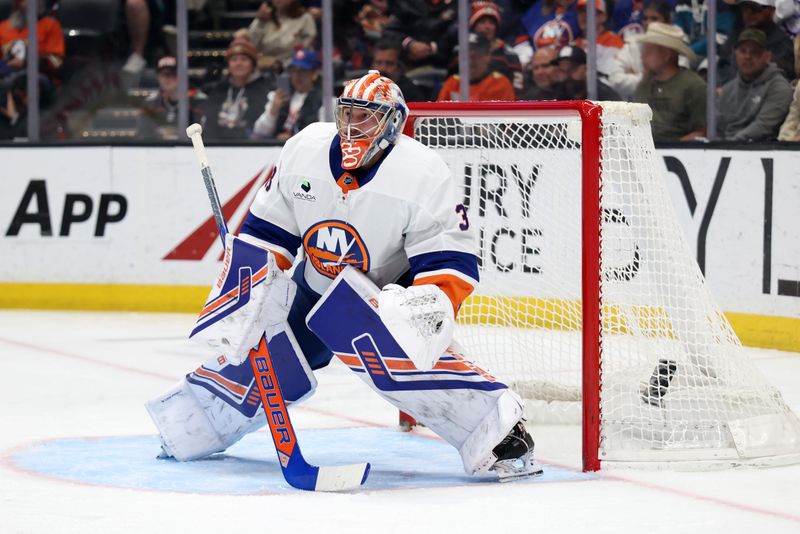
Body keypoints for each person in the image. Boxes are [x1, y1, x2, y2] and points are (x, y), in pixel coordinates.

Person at [146, 70, 542, 482]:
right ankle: (192, 425)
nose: (352, 126)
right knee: (266, 349)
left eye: (366, 117)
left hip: (383, 294)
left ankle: (501, 435)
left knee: (403, 356)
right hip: (314, 284)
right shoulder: (305, 149)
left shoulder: (422, 172)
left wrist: (420, 308)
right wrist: (249, 287)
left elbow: (449, 260)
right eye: (347, 114)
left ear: (392, 122)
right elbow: (267, 232)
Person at [633, 22, 706, 142]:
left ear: (666, 54)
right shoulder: (645, 84)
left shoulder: (694, 87)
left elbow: (702, 132)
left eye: (649, 50)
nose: (642, 56)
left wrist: (671, 149)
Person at [717, 29, 793, 141]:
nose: (747, 56)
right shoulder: (727, 89)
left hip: (760, 149)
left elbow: (763, 126)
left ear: (767, 57)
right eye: (743, 51)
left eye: (755, 52)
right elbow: (718, 127)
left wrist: (728, 146)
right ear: (735, 54)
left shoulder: (779, 88)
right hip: (723, 149)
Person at [608, 0, 688, 101]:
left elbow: (673, 86)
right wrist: (644, 76)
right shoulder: (633, 46)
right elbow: (614, 81)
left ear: (668, 22)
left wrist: (634, 76)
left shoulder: (677, 50)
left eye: (654, 18)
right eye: (645, 18)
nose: (648, 23)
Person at [202, 37, 274, 140]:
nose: (238, 63)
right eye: (234, 60)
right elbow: (209, 122)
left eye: (244, 59)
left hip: (250, 148)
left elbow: (259, 128)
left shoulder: (263, 89)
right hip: (216, 147)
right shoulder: (219, 89)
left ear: (252, 64)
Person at [252, 48, 322, 141]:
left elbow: (323, 136)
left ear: (314, 74)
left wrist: (293, 139)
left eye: (303, 71)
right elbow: (259, 131)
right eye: (294, 70)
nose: (297, 75)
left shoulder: (325, 101)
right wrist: (273, 111)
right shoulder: (278, 96)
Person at [719, 0, 795, 83]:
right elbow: (721, 65)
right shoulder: (736, 35)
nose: (749, 12)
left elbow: (780, 77)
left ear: (772, 10)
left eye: (755, 7)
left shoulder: (783, 43)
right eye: (745, 7)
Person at [139, 56, 207, 140]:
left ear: (182, 75)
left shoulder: (200, 101)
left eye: (172, 73)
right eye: (162, 74)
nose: (166, 78)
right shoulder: (150, 103)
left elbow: (207, 135)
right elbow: (145, 136)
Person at [437, 33, 516, 101]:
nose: (471, 60)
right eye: (466, 55)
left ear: (488, 56)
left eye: (477, 54)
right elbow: (439, 115)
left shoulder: (500, 84)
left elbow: (505, 117)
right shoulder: (453, 83)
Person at [0, 0, 64, 82]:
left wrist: (27, 63)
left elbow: (57, 61)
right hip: (6, 76)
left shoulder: (50, 25)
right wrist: (5, 67)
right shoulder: (2, 28)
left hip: (39, 77)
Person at [468, 1, 525, 91]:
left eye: (491, 23)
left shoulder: (510, 56)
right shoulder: (461, 51)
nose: (487, 27)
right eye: (482, 22)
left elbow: (517, 91)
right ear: (473, 26)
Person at [248, 0, 316, 72]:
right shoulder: (263, 16)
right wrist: (260, 23)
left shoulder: (305, 18)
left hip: (293, 68)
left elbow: (306, 48)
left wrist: (284, 65)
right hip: (264, 67)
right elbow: (252, 45)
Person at [573, 0, 624, 83]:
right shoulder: (574, 44)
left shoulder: (613, 41)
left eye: (590, 11)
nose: (584, 15)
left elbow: (608, 77)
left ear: (603, 16)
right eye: (581, 11)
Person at [551, 44, 621, 100]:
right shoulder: (558, 93)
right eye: (562, 70)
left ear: (586, 68)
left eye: (572, 68)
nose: (567, 74)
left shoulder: (605, 96)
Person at [370, 38, 425, 103]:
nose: (383, 68)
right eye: (378, 62)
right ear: (372, 64)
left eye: (389, 63)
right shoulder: (361, 87)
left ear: (399, 66)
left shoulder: (410, 92)